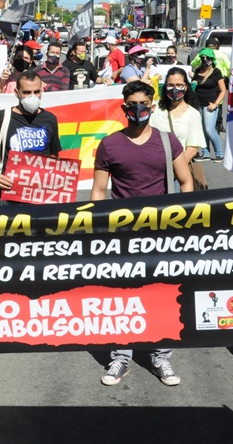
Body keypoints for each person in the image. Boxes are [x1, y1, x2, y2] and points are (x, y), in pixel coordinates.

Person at [92, 81, 193, 387]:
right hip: (122, 235)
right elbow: (98, 191)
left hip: (162, 234)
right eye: (132, 105)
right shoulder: (110, 144)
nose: (138, 110)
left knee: (161, 295)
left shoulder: (166, 141)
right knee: (124, 296)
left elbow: (185, 181)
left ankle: (160, 356)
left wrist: (181, 219)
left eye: (144, 104)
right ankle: (121, 357)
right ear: (124, 108)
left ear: (152, 105)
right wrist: (100, 231)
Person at [0, 70, 62, 203]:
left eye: (36, 92)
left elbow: (54, 157)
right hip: (11, 194)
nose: (33, 96)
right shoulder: (2, 118)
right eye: (26, 92)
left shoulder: (50, 119)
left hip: (41, 195)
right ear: (16, 93)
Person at [151, 67, 205, 191]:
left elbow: (191, 149)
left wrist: (172, 171)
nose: (174, 89)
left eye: (179, 84)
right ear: (165, 86)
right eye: (170, 85)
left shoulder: (193, 114)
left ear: (186, 87)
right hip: (152, 172)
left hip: (175, 174)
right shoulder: (155, 109)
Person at [192, 47, 226, 162]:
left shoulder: (216, 72)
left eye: (207, 57)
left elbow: (223, 90)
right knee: (201, 129)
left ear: (212, 59)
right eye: (203, 57)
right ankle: (205, 153)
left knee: (209, 129)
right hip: (198, 104)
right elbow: (193, 85)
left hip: (209, 105)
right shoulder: (198, 71)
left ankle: (219, 154)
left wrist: (216, 104)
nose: (205, 59)